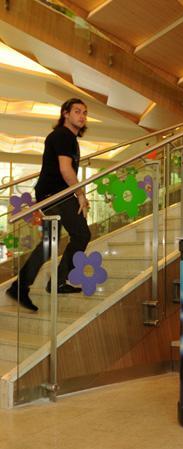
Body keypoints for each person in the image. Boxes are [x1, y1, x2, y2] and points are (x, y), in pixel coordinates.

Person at [6, 98, 91, 312]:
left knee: (50, 243)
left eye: (84, 112)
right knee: (81, 234)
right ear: (65, 114)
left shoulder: (67, 138)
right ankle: (50, 283)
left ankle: (24, 286)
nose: (82, 116)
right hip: (56, 195)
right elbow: (65, 169)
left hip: (52, 194)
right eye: (77, 111)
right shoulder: (63, 135)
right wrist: (80, 194)